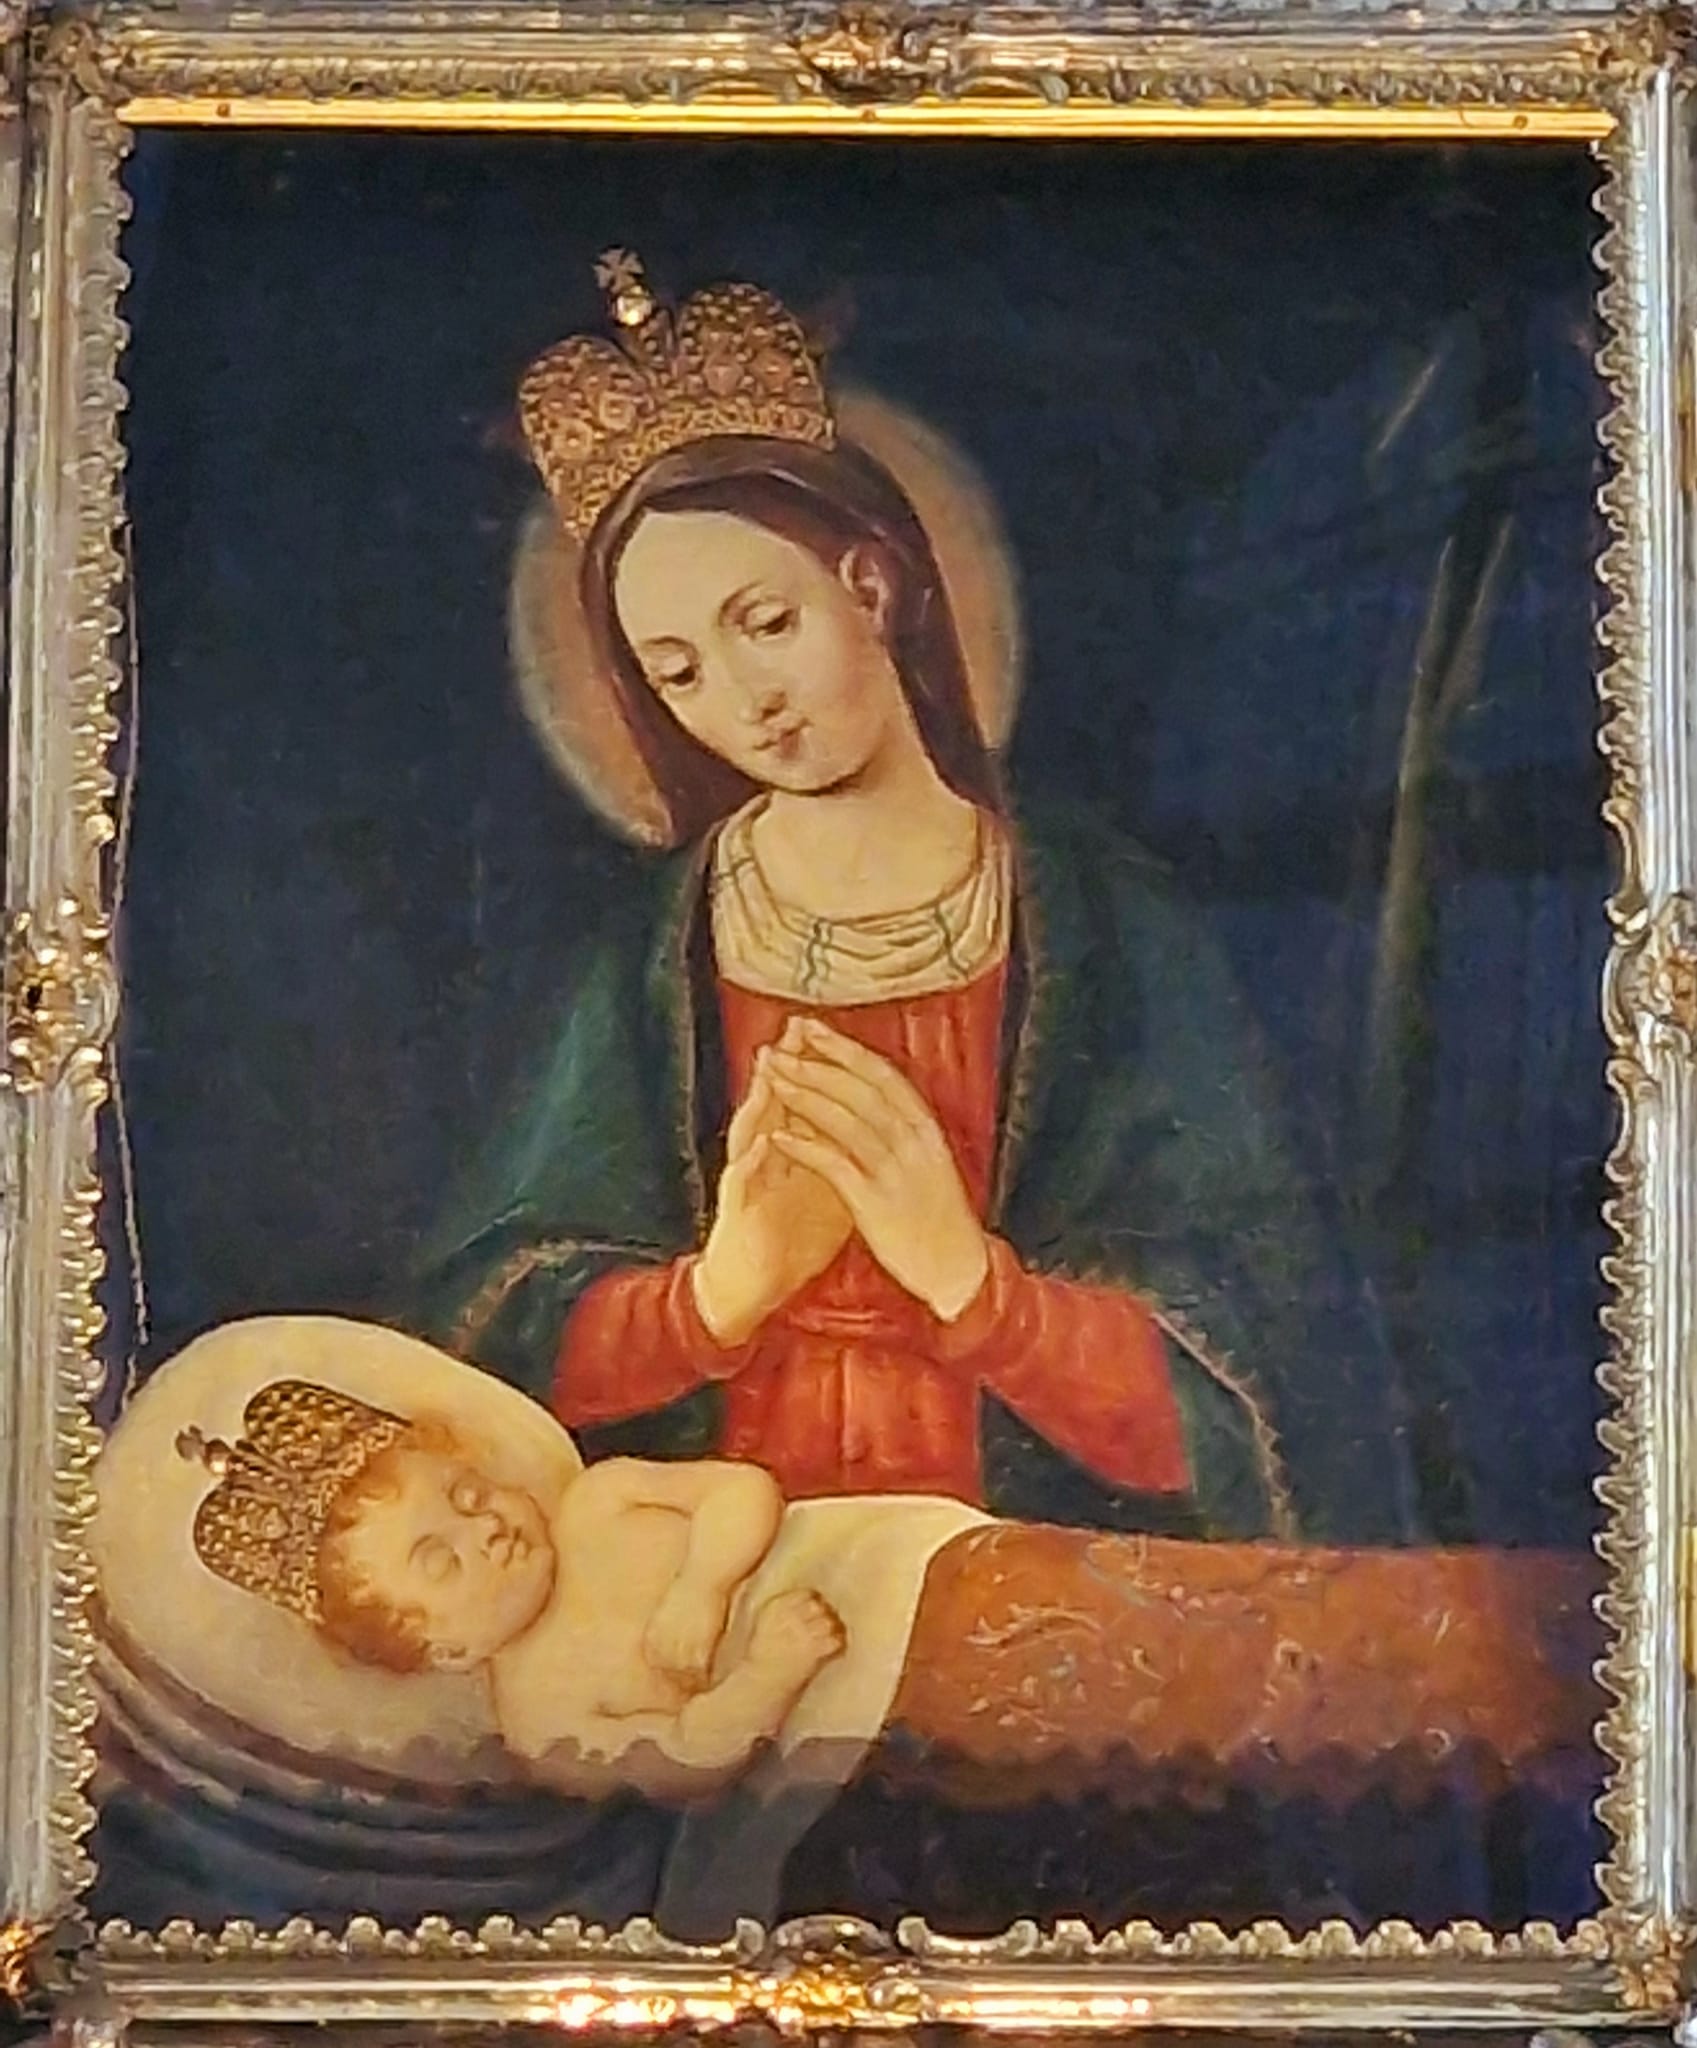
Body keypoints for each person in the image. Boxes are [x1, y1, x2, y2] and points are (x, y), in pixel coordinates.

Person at [419, 252, 1416, 1544]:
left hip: (1029, 1578)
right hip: (724, 1578)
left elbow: (1268, 1377)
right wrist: (714, 1299)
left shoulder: (1106, 928)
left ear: (872, 585)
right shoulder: (655, 964)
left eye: (763, 622)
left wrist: (971, 1286)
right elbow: (476, 1352)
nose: (744, 700)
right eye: (678, 671)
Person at [177, 1376, 848, 1799]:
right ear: (444, 1650)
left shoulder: (599, 1502)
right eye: (442, 1561)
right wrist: (767, 1675)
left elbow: (740, 1490)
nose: (485, 1529)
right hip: (829, 1718)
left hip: (858, 1553)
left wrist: (704, 1585)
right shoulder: (543, 1723)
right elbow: (686, 1761)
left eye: (469, 1494)